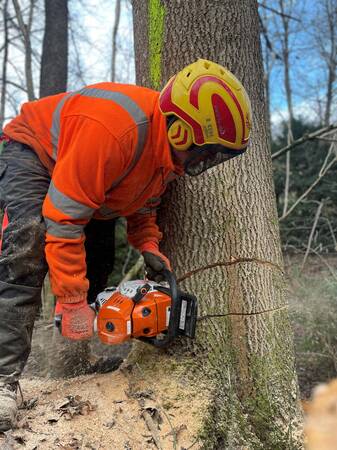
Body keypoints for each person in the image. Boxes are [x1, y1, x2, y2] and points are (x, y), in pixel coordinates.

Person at [0, 59, 252, 431]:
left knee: (98, 263)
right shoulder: (115, 130)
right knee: (27, 247)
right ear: (181, 131)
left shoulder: (167, 152)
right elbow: (65, 218)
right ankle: (3, 380)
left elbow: (143, 199)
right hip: (35, 155)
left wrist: (147, 242)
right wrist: (71, 300)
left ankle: (70, 360)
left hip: (89, 181)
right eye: (207, 151)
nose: (207, 161)